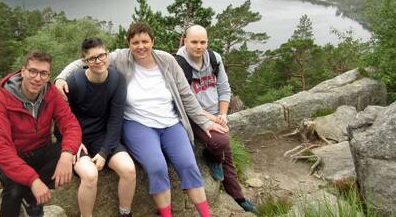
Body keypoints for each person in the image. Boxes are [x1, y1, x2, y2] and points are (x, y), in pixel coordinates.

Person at [55, 22, 228, 217]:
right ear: (128, 43)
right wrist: (61, 78)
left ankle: (206, 214)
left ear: (153, 41)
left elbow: (186, 95)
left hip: (170, 123)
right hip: (138, 124)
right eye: (135, 42)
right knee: (157, 167)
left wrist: (205, 122)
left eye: (145, 41)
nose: (141, 46)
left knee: (188, 165)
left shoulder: (167, 60)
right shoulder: (120, 57)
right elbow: (85, 61)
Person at [0, 50, 82, 217]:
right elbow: (2, 150)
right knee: (14, 190)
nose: (37, 78)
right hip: (9, 157)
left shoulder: (51, 94)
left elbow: (71, 125)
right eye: (33, 71)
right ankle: (30, 196)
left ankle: (31, 199)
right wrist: (33, 180)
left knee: (73, 152)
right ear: (23, 71)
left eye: (43, 73)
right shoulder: (2, 100)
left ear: (48, 76)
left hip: (38, 150)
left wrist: (67, 155)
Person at [175, 25, 257, 213]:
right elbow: (187, 103)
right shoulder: (179, 64)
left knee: (224, 147)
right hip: (194, 116)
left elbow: (224, 89)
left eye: (203, 42)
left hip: (214, 113)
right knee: (221, 141)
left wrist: (222, 114)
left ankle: (237, 195)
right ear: (185, 41)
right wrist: (212, 119)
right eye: (194, 42)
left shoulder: (214, 59)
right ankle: (212, 156)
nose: (199, 46)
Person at [58, 37, 136, 217]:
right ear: (84, 61)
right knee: (90, 175)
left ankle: (125, 213)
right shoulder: (74, 83)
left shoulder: (117, 80)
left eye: (102, 55)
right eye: (92, 58)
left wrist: (104, 152)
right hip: (78, 139)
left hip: (103, 136)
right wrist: (72, 143)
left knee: (129, 170)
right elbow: (60, 120)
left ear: (107, 54)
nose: (99, 61)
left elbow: (116, 119)